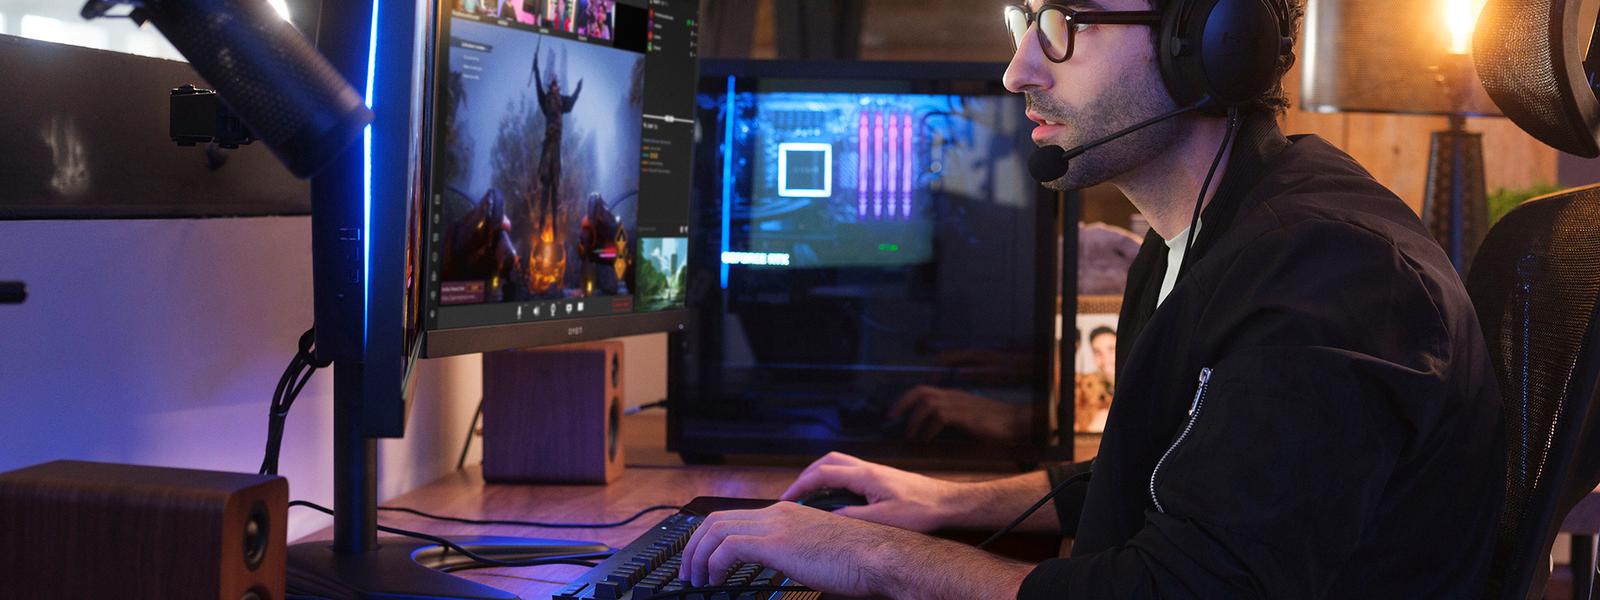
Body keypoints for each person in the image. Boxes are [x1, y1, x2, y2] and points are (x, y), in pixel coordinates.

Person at [674, 0, 1505, 597]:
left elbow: (1175, 589)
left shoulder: (1331, 276)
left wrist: (868, 559)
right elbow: (1178, 472)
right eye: (1024, 19)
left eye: (1067, 21)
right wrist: (945, 501)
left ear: (1212, 39)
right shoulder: (1199, 237)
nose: (1018, 69)